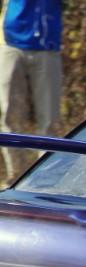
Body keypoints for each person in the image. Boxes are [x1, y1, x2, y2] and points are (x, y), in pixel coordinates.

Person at [0, 0, 62, 185]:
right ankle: (15, 178)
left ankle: (43, 180)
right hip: (10, 44)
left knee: (50, 119)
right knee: (10, 117)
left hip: (47, 46)